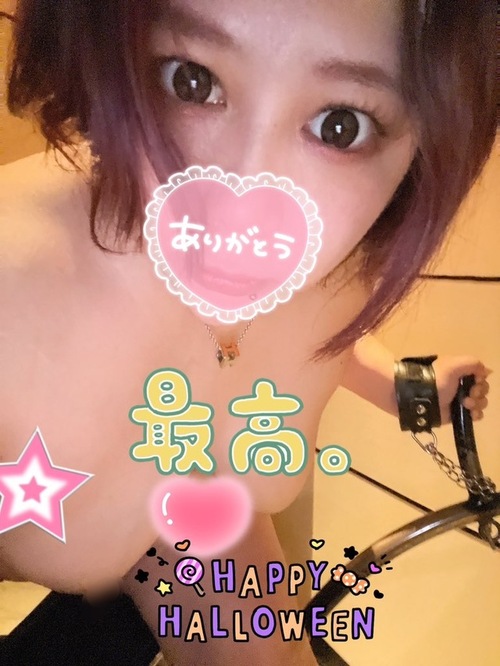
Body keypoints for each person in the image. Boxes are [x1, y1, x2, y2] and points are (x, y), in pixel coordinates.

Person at [0, 1, 496, 664]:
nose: (244, 199)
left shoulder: (334, 267)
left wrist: (402, 386)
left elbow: (291, 332)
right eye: (190, 80)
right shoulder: (15, 284)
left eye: (340, 125)